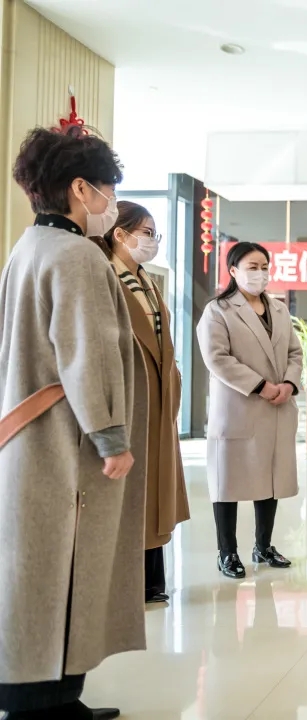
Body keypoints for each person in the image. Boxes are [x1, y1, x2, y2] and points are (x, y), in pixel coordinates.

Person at [0, 126, 143, 720]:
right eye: (109, 188)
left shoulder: (27, 247)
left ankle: (46, 697)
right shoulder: (78, 255)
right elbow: (89, 352)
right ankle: (47, 704)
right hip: (67, 440)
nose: (112, 201)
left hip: (27, 436)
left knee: (33, 565)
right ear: (81, 189)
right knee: (65, 562)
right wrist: (111, 438)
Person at [93, 201, 190, 605]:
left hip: (158, 399)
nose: (152, 241)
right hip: (130, 398)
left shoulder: (146, 280)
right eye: (146, 233)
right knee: (133, 491)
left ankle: (151, 578)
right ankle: (130, 582)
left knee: (154, 491)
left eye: (154, 234)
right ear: (120, 234)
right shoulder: (104, 276)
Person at [196, 242, 303, 579]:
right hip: (239, 408)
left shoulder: (279, 309)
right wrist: (261, 386)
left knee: (269, 479)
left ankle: (263, 546)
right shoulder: (218, 310)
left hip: (277, 407)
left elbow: (295, 353)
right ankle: (227, 552)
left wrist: (288, 384)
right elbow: (217, 358)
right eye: (252, 267)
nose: (260, 273)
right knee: (227, 482)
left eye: (264, 266)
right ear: (233, 271)